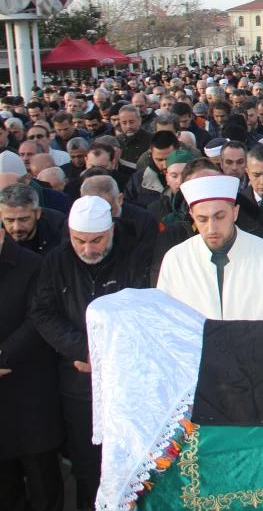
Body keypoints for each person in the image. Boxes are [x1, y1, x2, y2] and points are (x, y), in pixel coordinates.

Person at [30, 197, 149, 509]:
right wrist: (85, 351)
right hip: (79, 384)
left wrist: (108, 356)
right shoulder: (57, 261)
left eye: (97, 240)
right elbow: (43, 313)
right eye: (79, 241)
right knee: (86, 466)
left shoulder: (134, 255)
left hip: (125, 383)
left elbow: (142, 312)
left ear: (111, 231)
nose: (88, 249)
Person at [157, 175, 263, 319]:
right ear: (192, 215)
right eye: (202, 219)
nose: (211, 228)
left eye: (219, 217)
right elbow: (166, 319)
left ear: (235, 213)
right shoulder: (176, 259)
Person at [0, 226, 64, 511]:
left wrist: (4, 355)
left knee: (41, 475)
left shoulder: (32, 265)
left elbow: (37, 318)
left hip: (28, 383)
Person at [0, 182, 66, 255]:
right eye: (10, 220)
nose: (17, 227)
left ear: (38, 213)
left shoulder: (58, 227)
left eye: (24, 219)